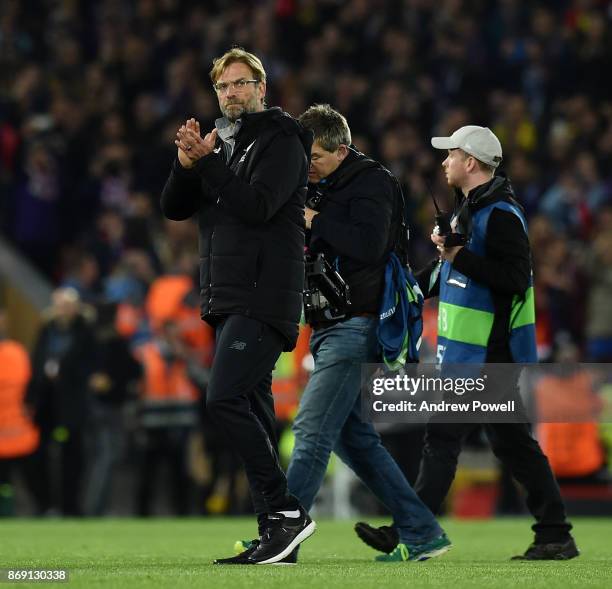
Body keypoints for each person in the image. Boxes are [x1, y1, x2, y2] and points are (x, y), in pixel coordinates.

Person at [236, 104, 450, 563]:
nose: (306, 168)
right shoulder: (328, 185)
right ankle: (421, 530)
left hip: (359, 321)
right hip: (332, 323)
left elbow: (370, 247)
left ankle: (282, 534)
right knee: (355, 440)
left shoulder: (372, 182)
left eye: (313, 158)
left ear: (342, 148)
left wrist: (316, 221)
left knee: (311, 430)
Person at [354, 125, 579, 561]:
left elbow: (515, 281)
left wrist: (460, 256)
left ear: (470, 163)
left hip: (487, 356)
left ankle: (412, 532)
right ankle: (555, 534)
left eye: (451, 155)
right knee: (512, 445)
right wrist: (407, 291)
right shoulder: (470, 211)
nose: (444, 162)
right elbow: (448, 274)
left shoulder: (501, 215)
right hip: (474, 355)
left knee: (442, 438)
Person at [160, 47, 315, 565]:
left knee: (222, 399)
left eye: (241, 84)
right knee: (250, 406)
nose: (231, 94)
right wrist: (186, 166)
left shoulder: (282, 137)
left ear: (261, 88)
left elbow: (258, 206)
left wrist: (209, 165)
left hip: (262, 294)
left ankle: (286, 512)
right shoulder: (222, 144)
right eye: (223, 87)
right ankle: (277, 533)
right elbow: (174, 208)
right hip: (231, 297)